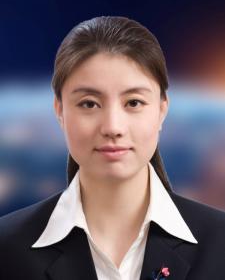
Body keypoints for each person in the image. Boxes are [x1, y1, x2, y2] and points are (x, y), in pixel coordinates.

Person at [0, 16, 225, 280]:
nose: (113, 127)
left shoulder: (219, 244)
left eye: (133, 102)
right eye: (89, 104)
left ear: (162, 110)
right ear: (59, 111)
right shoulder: (8, 248)